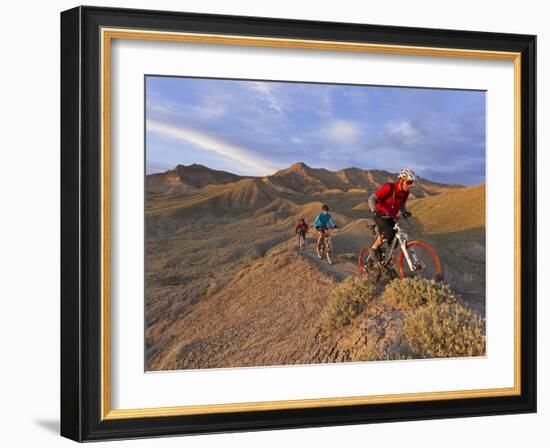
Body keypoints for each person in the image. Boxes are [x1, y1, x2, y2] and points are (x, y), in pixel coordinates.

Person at [367, 168, 415, 260]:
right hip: (380, 215)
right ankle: (373, 248)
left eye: (412, 183)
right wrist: (374, 211)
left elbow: (401, 204)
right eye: (409, 182)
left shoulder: (405, 193)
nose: (411, 185)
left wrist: (404, 212)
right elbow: (372, 199)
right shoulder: (389, 187)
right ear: (401, 180)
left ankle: (389, 264)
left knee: (395, 240)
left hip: (391, 217)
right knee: (388, 233)